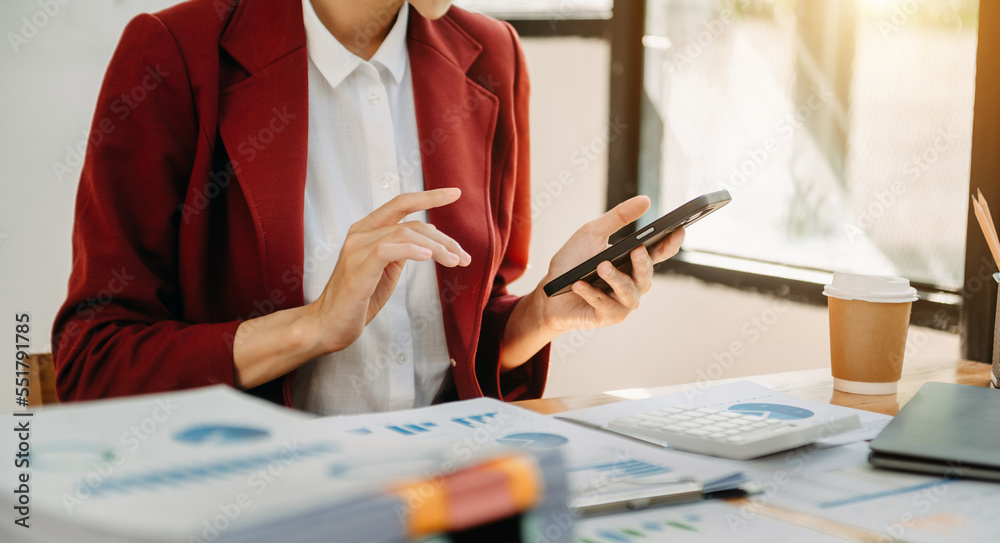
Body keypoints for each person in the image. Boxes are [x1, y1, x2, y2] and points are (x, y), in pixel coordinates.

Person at [52, 0, 685, 415]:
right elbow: (94, 363)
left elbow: (465, 339)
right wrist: (311, 326)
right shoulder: (173, 50)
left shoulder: (493, 54)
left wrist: (543, 313)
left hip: (450, 494)